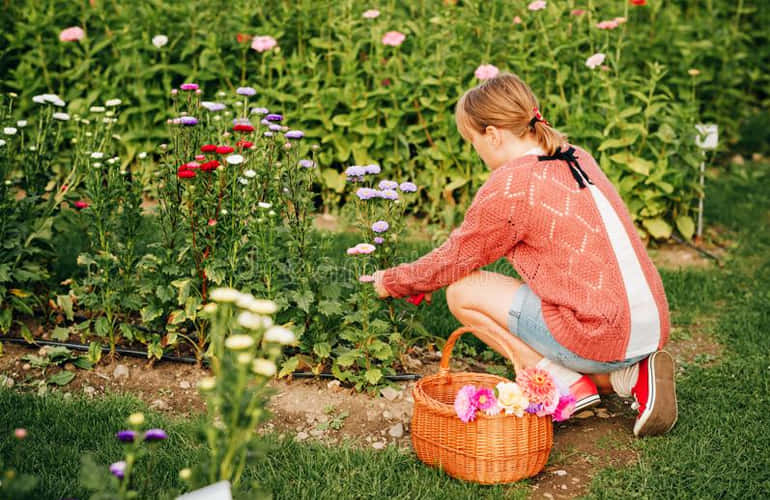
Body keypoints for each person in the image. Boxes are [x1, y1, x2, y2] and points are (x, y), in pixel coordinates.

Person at [371, 73, 677, 438]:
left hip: (600, 334)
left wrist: (392, 281)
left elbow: (455, 259)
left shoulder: (512, 185)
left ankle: (559, 380)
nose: (476, 151)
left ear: (493, 134)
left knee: (462, 290)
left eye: (472, 140)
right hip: (650, 325)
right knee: (574, 320)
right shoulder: (576, 156)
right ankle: (632, 376)